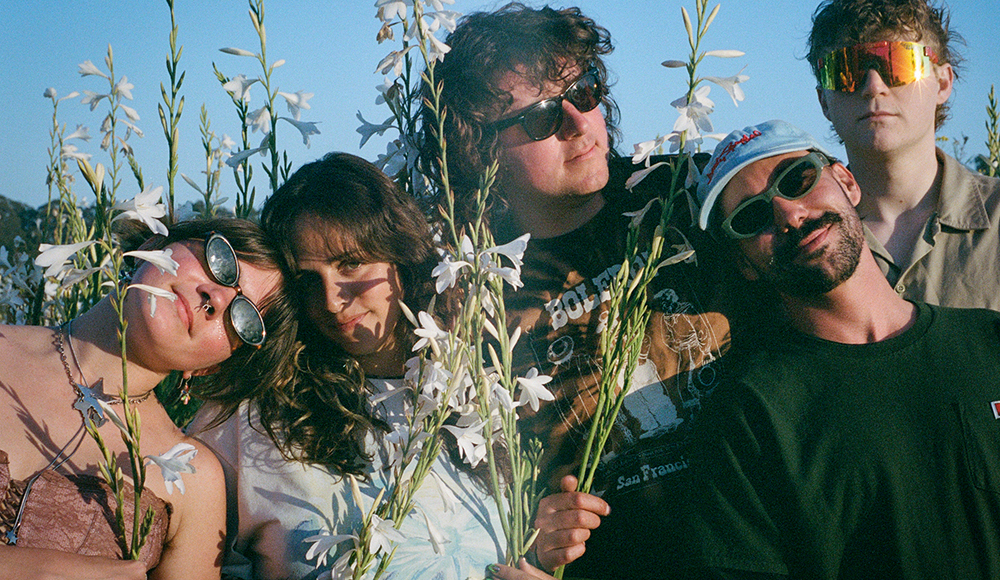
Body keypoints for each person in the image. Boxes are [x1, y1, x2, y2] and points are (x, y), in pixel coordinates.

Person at [420, 3, 730, 576]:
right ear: (479, 149)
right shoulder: (470, 296)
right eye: (540, 117)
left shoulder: (688, 195)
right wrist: (533, 535)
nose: (578, 121)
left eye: (583, 90)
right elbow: (487, 482)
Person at [683, 119, 1000, 578]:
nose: (789, 215)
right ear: (743, 263)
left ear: (847, 182)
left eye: (797, 180)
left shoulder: (988, 343)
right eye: (751, 217)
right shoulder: (750, 419)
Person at [190, 153, 503, 580]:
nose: (333, 300)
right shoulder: (247, 422)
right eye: (307, 280)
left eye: (350, 263)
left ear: (401, 254)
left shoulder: (479, 389)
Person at [0, 217, 291, 580]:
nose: (216, 298)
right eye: (221, 261)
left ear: (212, 368)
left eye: (244, 318)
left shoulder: (193, 479)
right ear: (155, 245)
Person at [807, 0, 1000, 310]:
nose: (873, 86)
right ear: (824, 101)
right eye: (847, 69)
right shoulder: (798, 237)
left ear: (943, 82)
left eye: (898, 63)